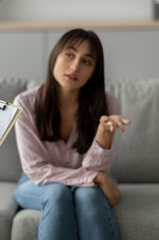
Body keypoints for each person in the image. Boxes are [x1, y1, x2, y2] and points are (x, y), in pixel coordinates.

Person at [13, 28, 131, 240]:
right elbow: (36, 170)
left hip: (90, 180)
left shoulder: (108, 104)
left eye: (86, 61)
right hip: (36, 182)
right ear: (55, 56)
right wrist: (96, 178)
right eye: (69, 54)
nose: (75, 66)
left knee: (88, 195)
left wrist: (103, 135)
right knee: (57, 192)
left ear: (94, 71)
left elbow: (97, 167)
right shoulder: (25, 103)